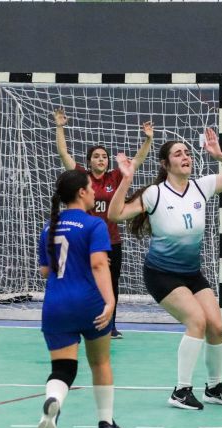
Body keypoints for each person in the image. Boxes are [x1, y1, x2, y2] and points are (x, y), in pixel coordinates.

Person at [108, 128, 222, 410]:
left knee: (217, 326)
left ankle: (214, 387)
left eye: (187, 152)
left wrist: (219, 154)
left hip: (191, 273)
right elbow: (115, 214)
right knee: (196, 321)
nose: (185, 157)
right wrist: (126, 179)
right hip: (161, 274)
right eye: (177, 153)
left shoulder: (201, 186)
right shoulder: (154, 194)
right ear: (165, 164)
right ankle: (181, 391)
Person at [53, 108, 153, 339]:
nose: (101, 159)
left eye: (104, 156)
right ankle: (81, 322)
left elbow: (137, 161)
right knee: (83, 281)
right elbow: (64, 154)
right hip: (84, 240)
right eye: (96, 156)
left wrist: (148, 139)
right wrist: (60, 126)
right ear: (89, 161)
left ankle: (110, 324)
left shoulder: (115, 178)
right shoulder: (81, 177)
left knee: (111, 284)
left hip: (111, 241)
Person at [37, 170, 123, 428]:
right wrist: (110, 302)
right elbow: (98, 265)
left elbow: (45, 271)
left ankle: (53, 400)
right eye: (90, 187)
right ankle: (105, 423)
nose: (95, 192)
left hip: (56, 306)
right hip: (88, 304)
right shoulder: (94, 224)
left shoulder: (48, 227)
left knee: (63, 368)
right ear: (82, 192)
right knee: (100, 363)